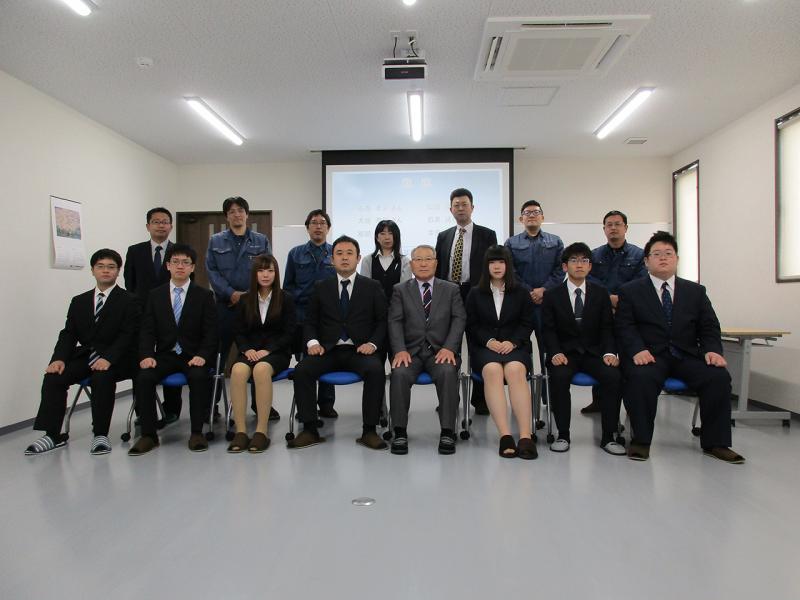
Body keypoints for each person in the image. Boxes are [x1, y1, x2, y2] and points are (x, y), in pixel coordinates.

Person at [615, 231, 744, 463]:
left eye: (668, 253)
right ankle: (640, 441)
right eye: (656, 254)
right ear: (646, 261)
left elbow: (709, 326)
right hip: (649, 355)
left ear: (677, 259)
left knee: (718, 377)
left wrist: (712, 350)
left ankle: (716, 442)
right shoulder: (631, 291)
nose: (663, 258)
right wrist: (637, 349)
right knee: (640, 378)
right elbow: (625, 326)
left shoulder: (695, 291)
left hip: (686, 355)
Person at [25, 249, 140, 455]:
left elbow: (128, 335)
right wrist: (59, 359)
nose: (106, 271)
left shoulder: (129, 300)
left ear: (118, 271)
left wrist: (108, 358)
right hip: (87, 356)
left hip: (119, 358)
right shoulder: (79, 301)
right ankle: (52, 435)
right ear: (92, 270)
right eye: (100, 266)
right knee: (54, 377)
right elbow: (69, 333)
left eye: (111, 267)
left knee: (102, 377)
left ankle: (100, 434)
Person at [289, 236, 388, 451]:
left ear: (358, 258)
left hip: (359, 350)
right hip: (328, 350)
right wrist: (312, 343)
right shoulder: (321, 287)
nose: (344, 258)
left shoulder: (372, 286)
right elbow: (310, 321)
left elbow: (382, 321)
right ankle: (309, 430)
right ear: (332, 259)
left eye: (349, 253)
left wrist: (372, 344)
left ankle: (369, 431)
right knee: (302, 370)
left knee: (375, 370)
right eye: (339, 254)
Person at [128, 244, 218, 455]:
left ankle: (197, 432)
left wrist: (203, 355)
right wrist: (146, 355)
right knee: (144, 377)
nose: (180, 266)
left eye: (185, 262)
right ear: (167, 265)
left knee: (198, 377)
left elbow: (211, 333)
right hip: (165, 355)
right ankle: (149, 435)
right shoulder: (155, 295)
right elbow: (147, 330)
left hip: (193, 355)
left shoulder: (204, 295)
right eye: (175, 262)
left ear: (192, 267)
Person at [541, 243, 624, 455]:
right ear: (564, 266)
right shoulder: (552, 295)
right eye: (574, 260)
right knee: (559, 377)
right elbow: (548, 330)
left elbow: (608, 327)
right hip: (565, 354)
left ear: (590, 266)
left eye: (584, 261)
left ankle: (609, 436)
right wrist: (555, 352)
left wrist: (609, 353)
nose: (579, 265)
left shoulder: (600, 293)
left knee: (613, 376)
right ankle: (563, 435)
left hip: (594, 354)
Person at [388, 245, 465, 455]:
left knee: (448, 372)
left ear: (436, 263)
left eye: (428, 259)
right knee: (399, 374)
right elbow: (394, 321)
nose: (423, 263)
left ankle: (447, 431)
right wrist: (399, 350)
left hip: (440, 352)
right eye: (418, 259)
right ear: (411, 264)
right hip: (410, 353)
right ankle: (399, 431)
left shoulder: (451, 289)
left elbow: (459, 319)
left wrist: (449, 348)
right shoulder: (400, 290)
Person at [465, 246, 537, 460]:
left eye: (501, 262)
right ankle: (505, 435)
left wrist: (513, 342)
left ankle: (525, 436)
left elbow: (527, 323)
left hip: (516, 347)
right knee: (493, 370)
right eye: (492, 262)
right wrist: (489, 341)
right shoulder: (475, 293)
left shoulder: (522, 292)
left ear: (508, 265)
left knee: (515, 370)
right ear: (486, 266)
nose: (497, 266)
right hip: (485, 348)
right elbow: (471, 324)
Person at [205, 196, 272, 415]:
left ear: (247, 214)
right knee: (218, 356)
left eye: (240, 210)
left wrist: (250, 295)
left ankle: (260, 405)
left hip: (254, 307)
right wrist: (231, 293)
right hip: (225, 307)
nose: (237, 214)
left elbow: (267, 270)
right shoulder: (216, 241)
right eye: (232, 211)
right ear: (227, 216)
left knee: (256, 355)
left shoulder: (260, 241)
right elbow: (212, 272)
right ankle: (211, 405)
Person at [435, 187, 497, 414]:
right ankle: (449, 399)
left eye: (464, 204)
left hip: (476, 293)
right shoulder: (443, 236)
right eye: (456, 205)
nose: (460, 208)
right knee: (447, 345)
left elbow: (492, 265)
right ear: (450, 209)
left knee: (477, 345)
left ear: (473, 207)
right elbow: (439, 269)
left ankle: (480, 399)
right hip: (449, 293)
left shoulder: (487, 234)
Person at [228, 255, 295, 453]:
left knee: (261, 370)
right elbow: (238, 331)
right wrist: (246, 349)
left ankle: (261, 431)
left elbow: (289, 332)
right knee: (237, 371)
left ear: (276, 273)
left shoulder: (286, 299)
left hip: (277, 352)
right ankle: (241, 431)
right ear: (254, 274)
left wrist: (268, 350)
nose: (266, 275)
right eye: (261, 270)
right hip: (250, 351)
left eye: (270, 270)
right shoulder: (245, 300)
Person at [582, 209, 647, 414]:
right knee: (602, 353)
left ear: (626, 228)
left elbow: (641, 281)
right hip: (602, 311)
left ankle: (629, 404)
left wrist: (622, 299)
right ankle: (599, 401)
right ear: (604, 229)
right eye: (609, 225)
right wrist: (609, 298)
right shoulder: (594, 255)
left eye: (617, 224)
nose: (613, 228)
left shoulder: (639, 255)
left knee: (627, 356)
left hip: (629, 313)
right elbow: (590, 280)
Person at [124, 207, 182, 421]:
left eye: (165, 221)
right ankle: (143, 412)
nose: (160, 225)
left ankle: (172, 409)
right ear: (148, 226)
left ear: (171, 226)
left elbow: (185, 284)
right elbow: (130, 284)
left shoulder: (179, 252)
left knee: (172, 356)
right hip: (142, 316)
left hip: (172, 315)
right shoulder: (135, 251)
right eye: (156, 222)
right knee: (141, 361)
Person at [504, 200, 565, 387]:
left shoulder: (555, 241)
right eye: (527, 213)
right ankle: (523, 393)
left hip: (547, 304)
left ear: (542, 217)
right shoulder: (511, 243)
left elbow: (560, 270)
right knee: (520, 347)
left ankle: (548, 396)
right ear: (521, 218)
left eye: (536, 212)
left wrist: (543, 290)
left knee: (548, 347)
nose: (531, 215)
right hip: (521, 304)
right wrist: (530, 292)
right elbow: (510, 272)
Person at [283, 209, 337, 417]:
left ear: (328, 228)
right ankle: (305, 406)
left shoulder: (335, 253)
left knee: (327, 356)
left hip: (329, 314)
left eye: (322, 223)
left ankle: (326, 404)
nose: (318, 226)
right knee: (305, 362)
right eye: (314, 223)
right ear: (307, 228)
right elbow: (288, 287)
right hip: (302, 314)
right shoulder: (295, 253)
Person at [359, 219, 412, 301]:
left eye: (391, 233)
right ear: (377, 238)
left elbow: (404, 291)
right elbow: (365, 288)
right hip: (373, 306)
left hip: (397, 305)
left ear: (396, 237)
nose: (387, 237)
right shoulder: (368, 260)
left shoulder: (405, 261)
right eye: (382, 233)